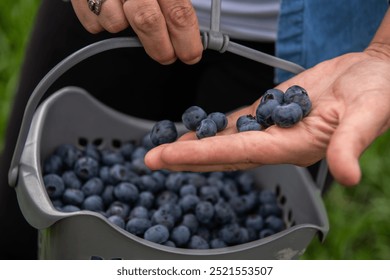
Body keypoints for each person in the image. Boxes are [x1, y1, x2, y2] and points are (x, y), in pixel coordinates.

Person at [0, 0, 388, 259]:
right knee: (23, 229)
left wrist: (384, 52)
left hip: (306, 40)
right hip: (114, 12)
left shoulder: (297, 93)